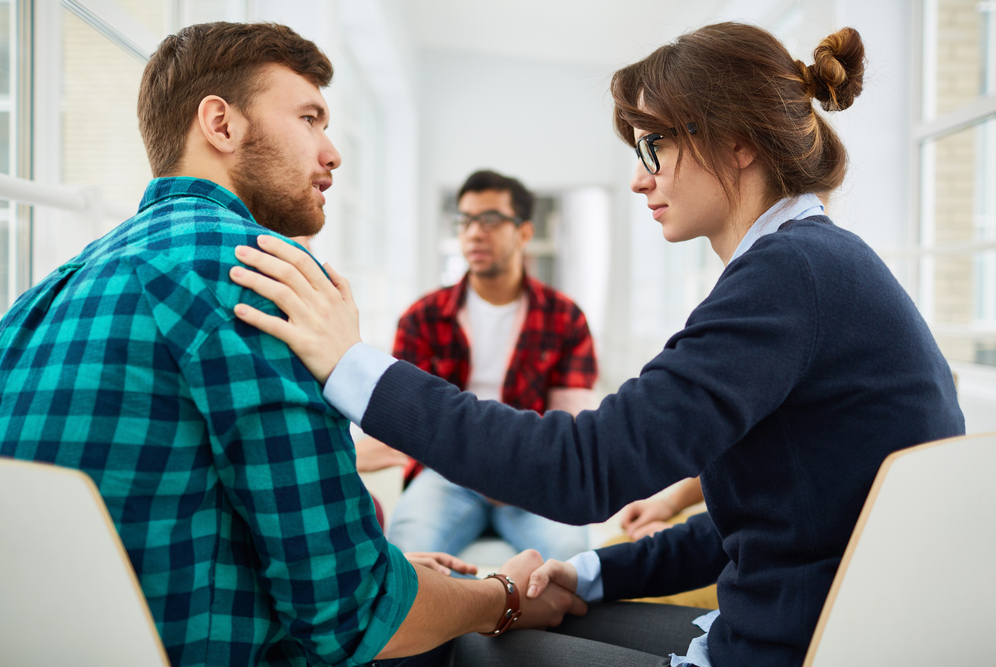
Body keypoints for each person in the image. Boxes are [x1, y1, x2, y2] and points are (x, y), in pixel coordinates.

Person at [230, 23, 965, 667]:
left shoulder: (790, 273)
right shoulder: (818, 264)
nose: (642, 177)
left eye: (656, 144)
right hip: (795, 627)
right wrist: (584, 571)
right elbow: (761, 523)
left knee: (459, 639)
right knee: (533, 602)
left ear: (737, 140)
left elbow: (586, 466)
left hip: (784, 644)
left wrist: (351, 365)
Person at [0, 22, 584, 667]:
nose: (332, 151)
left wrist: (372, 566)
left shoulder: (44, 295)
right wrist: (500, 596)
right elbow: (355, 619)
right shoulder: (260, 273)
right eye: (310, 118)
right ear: (220, 125)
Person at [359, 169, 596, 562]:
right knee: (405, 555)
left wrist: (516, 468)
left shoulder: (565, 317)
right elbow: (409, 415)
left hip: (531, 473)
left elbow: (568, 423)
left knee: (572, 558)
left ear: (523, 232)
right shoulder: (423, 317)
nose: (473, 232)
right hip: (445, 472)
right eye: (465, 220)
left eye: (489, 220)